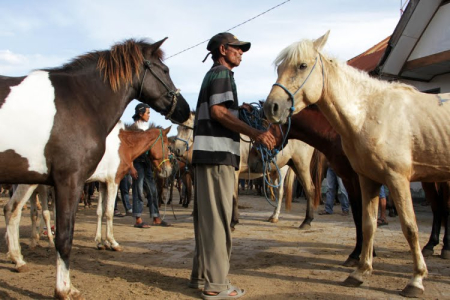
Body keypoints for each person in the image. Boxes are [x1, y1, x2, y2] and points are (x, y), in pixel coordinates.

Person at [189, 32, 276, 299]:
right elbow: (218, 112)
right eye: (237, 48)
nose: (241, 52)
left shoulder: (213, 75)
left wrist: (239, 109)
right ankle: (216, 286)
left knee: (206, 219)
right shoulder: (222, 74)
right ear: (223, 49)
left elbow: (221, 110)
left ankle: (201, 277)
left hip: (206, 156)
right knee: (219, 221)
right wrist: (255, 132)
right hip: (218, 157)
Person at [129, 103, 171, 228]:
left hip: (147, 162)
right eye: (147, 113)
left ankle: (156, 217)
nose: (149, 115)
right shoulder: (133, 129)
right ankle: (138, 219)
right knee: (138, 189)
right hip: (136, 162)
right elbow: (129, 150)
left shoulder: (150, 129)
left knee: (153, 189)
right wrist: (131, 166)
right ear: (140, 114)